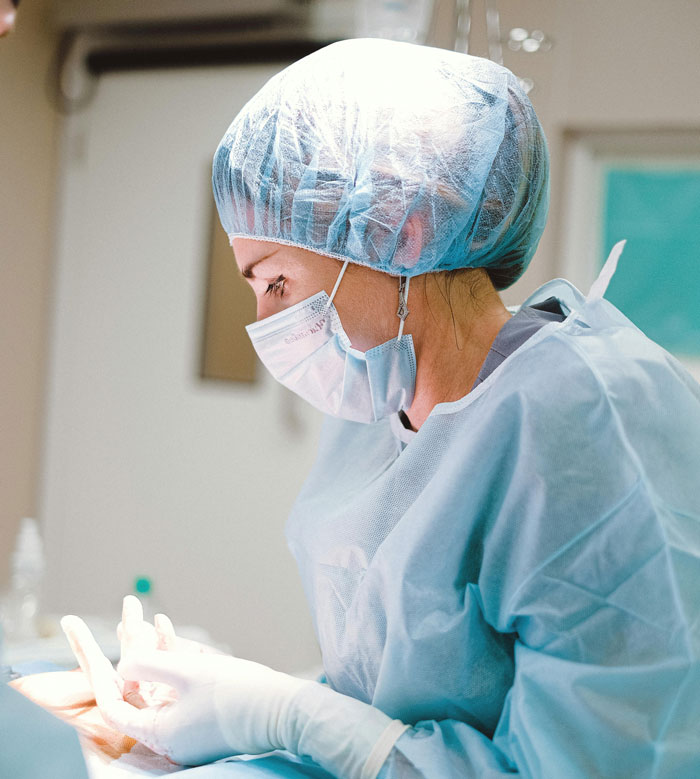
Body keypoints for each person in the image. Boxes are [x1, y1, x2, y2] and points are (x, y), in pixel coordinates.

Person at [62, 38, 700, 777]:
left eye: (275, 283)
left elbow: (602, 760)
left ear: (403, 226)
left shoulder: (589, 419)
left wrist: (281, 711)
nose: (269, 322)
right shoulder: (381, 420)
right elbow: (394, 710)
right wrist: (228, 704)